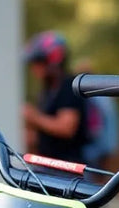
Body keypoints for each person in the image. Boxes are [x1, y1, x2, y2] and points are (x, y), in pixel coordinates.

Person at [22, 31, 87, 164]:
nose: (34, 68)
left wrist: (34, 117)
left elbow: (66, 128)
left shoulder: (69, 86)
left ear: (53, 59)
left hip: (68, 168)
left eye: (38, 62)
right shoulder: (47, 90)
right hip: (49, 165)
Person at [75, 59, 119, 168]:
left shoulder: (91, 98)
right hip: (109, 142)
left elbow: (95, 124)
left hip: (95, 145)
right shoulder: (105, 94)